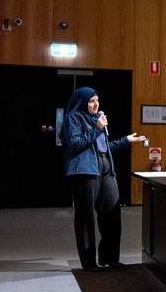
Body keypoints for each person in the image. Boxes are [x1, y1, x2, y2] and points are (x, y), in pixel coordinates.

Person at [61, 87, 144, 271]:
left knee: (112, 215)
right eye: (91, 101)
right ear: (83, 102)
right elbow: (76, 144)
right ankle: (89, 262)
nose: (95, 104)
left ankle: (109, 258)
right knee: (86, 218)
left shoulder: (98, 119)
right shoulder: (73, 119)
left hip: (107, 171)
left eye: (97, 100)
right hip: (86, 172)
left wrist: (125, 140)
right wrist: (97, 128)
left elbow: (104, 147)